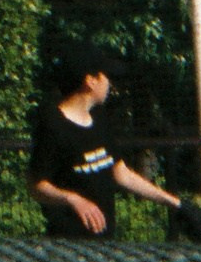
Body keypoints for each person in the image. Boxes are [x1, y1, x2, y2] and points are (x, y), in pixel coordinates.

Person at [28, 50, 182, 238]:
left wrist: (174, 203)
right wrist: (73, 199)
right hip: (68, 245)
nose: (109, 83)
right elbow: (37, 186)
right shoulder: (53, 125)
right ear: (90, 81)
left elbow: (121, 174)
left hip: (104, 242)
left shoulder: (99, 118)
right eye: (105, 76)